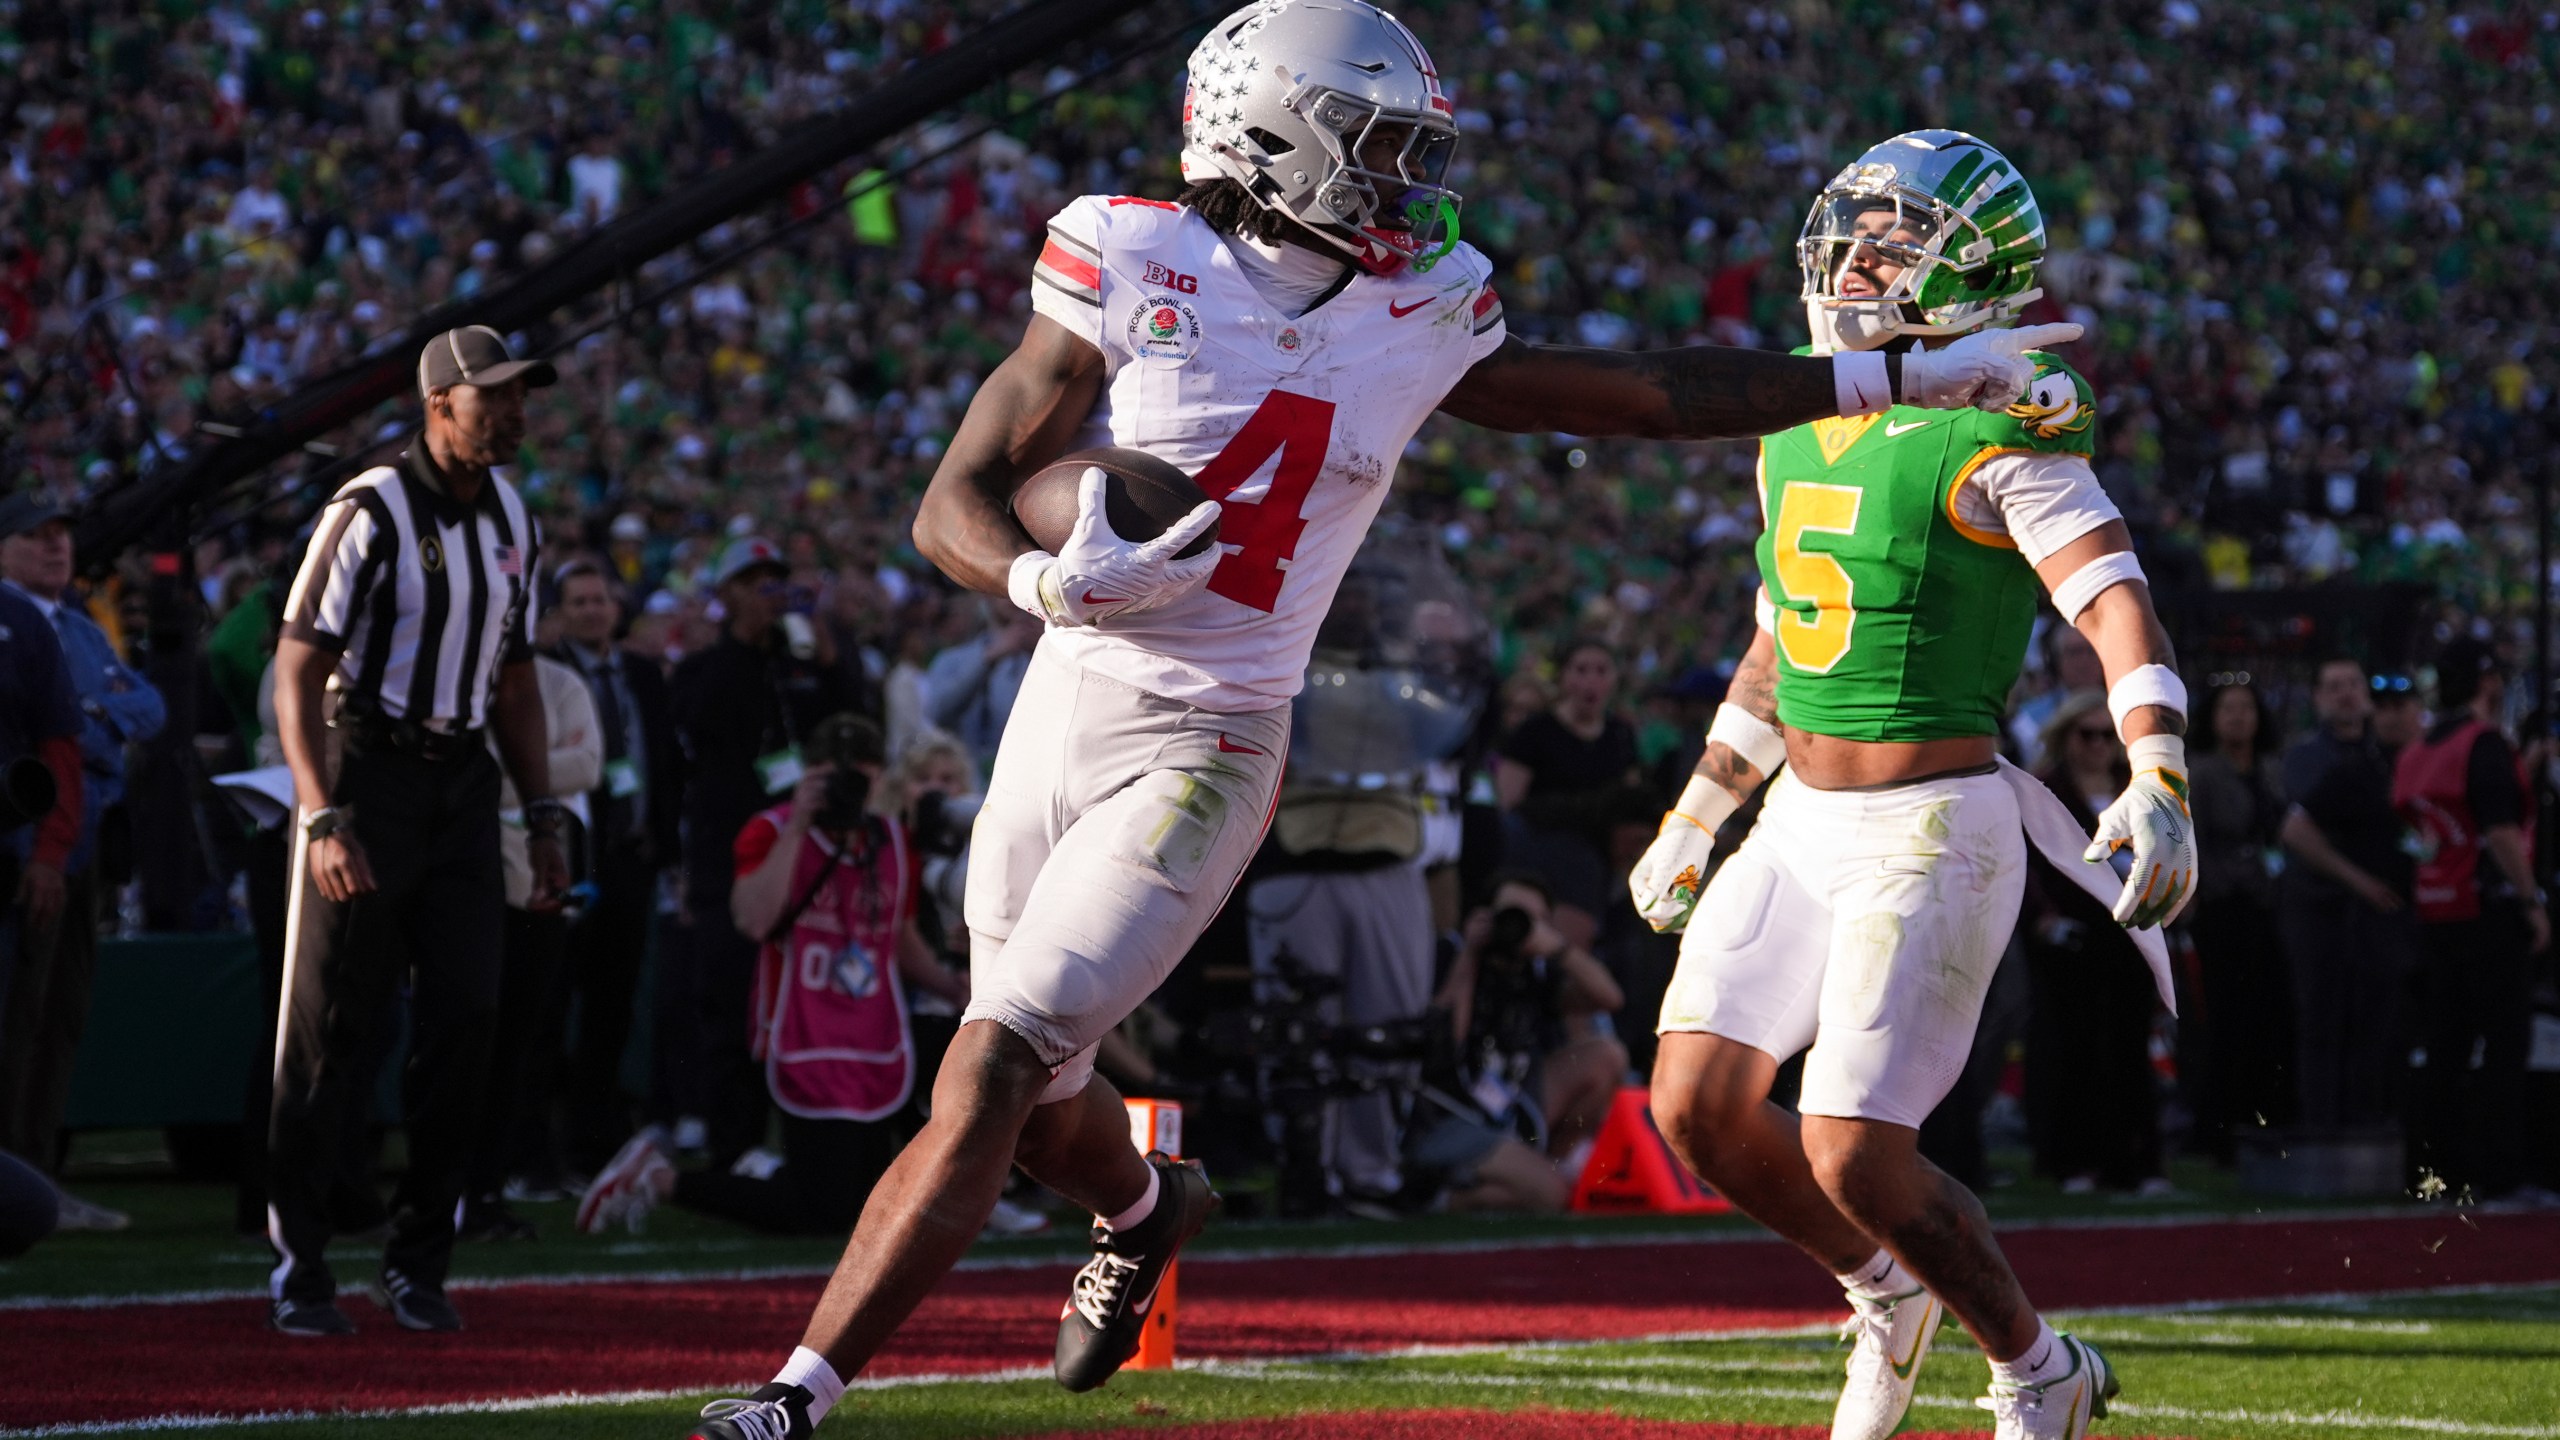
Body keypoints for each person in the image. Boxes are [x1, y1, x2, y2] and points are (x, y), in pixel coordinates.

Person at [679, 8, 2070, 1435]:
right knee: (1033, 1101)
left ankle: (797, 1397)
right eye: (1382, 147)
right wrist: (1046, 575)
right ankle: (1150, 1207)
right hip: (1067, 699)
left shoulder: (1427, 302)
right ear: (1274, 136)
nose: (1411, 180)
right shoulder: (1125, 247)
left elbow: (1649, 395)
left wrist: (1905, 372)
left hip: (1212, 739)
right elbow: (952, 497)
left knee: (994, 1061)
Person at [1628, 132, 2186, 1440]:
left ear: (1970, 281)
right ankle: (1886, 1290)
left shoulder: (2003, 432)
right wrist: (1700, 811)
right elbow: (1784, 640)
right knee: (1694, 1108)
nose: (1856, 261)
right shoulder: (1807, 418)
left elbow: (2113, 601)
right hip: (1798, 819)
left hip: (1935, 824)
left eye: (1896, 243)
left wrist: (2157, 762)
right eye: (1856, 234)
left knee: (1852, 1149)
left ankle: (2035, 1364)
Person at [265, 326, 569, 1336]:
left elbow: (516, 677)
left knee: (467, 1023)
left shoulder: (514, 515)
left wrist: (543, 809)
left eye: (522, 395)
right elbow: (298, 668)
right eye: (496, 397)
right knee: (330, 1031)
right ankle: (300, 1262)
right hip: (369, 771)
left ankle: (417, 1256)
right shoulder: (369, 509)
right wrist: (321, 813)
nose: (515, 411)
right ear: (438, 404)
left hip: (463, 783)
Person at [579, 715, 966, 1236]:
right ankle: (661, 1180)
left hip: (874, 1036)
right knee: (825, 1213)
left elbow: (896, 934)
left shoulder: (892, 842)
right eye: (836, 775)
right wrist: (801, 825)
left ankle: (749, 1170)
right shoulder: (773, 828)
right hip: (801, 1032)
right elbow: (754, 919)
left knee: (863, 1211)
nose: (850, 788)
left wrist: (949, 986)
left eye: (863, 776)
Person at [665, 534, 858, 1166]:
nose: (773, 596)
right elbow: (695, 739)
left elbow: (853, 722)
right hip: (730, 858)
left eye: (777, 582)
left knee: (808, 996)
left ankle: (807, 1136)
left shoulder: (800, 660)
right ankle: (732, 1142)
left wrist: (827, 652)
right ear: (728, 594)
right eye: (757, 584)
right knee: (731, 996)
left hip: (803, 852)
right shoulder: (705, 669)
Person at [0, 495, 164, 1230]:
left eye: (61, 536)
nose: (55, 549)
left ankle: (39, 1178)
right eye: (35, 538)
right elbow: (72, 732)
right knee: (18, 1016)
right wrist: (100, 715)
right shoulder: (27, 626)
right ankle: (15, 1180)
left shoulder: (79, 626)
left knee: (61, 1012)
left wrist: (96, 715)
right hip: (32, 840)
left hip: (84, 838)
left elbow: (148, 708)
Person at [2396, 637, 2551, 1202]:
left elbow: (2422, 832)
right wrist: (2532, 900)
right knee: (2504, 1047)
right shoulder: (2481, 744)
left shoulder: (2417, 751)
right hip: (2485, 909)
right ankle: (2500, 1174)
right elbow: (2502, 832)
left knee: (2445, 1049)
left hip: (2437, 908)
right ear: (2486, 683)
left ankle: (2434, 1175)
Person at [459, 647, 601, 1238]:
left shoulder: (558, 680)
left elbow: (589, 764)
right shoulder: (452, 668)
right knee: (459, 1038)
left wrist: (498, 770)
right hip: (461, 881)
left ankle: (487, 1189)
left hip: (536, 885)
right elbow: (455, 773)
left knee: (519, 1039)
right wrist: (536, 770)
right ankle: (453, 1191)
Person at [549, 559, 682, 1174]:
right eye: (579, 601)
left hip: (633, 860)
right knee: (552, 1004)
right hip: (570, 859)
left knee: (614, 1005)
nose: (593, 610)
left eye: (601, 598)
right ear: (560, 613)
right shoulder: (547, 674)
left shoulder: (640, 671)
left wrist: (662, 841)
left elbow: (664, 758)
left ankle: (594, 1140)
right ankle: (540, 1145)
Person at [1407, 871, 1627, 1211]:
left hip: (1509, 1106)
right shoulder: (1452, 953)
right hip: (1447, 1114)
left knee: (1607, 1055)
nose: (1513, 927)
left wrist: (1557, 947)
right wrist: (1471, 953)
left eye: (1529, 919)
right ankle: (1436, 1198)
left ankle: (1548, 1164)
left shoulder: (1535, 969)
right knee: (1551, 1195)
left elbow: (1610, 998)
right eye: (1507, 914)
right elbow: (1443, 1041)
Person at [2019, 693, 2168, 1194]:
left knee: (2130, 1049)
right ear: (2066, 738)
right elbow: (2029, 865)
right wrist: (2044, 920)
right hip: (2069, 938)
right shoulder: (2047, 792)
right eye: (2087, 734)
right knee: (2073, 1050)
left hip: (2130, 935)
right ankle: (2075, 1162)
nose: (2099, 746)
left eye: (2108, 735)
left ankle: (2139, 1164)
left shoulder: (2139, 789)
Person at [2278, 657, 2414, 1133]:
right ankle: (2320, 1121)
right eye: (2334, 686)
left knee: (2374, 1017)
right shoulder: (2305, 758)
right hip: (2318, 905)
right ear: (2317, 697)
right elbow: (2299, 827)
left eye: (2353, 684)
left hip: (2376, 912)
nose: (2346, 695)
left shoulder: (2387, 755)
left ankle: (2365, 1116)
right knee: (2321, 1015)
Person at [2184, 678, 2292, 1160]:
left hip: (2270, 906)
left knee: (2269, 1016)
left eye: (2246, 707)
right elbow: (2194, 840)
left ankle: (2265, 1118)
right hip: (2222, 906)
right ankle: (2218, 1128)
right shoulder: (2202, 773)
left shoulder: (2274, 770)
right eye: (2228, 708)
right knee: (2225, 1018)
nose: (2238, 717)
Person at [1495, 640, 1648, 946]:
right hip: (1538, 845)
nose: (1591, 680)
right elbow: (1507, 801)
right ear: (1563, 678)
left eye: (1601, 671)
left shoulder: (1620, 735)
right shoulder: (1536, 730)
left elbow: (1631, 800)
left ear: (1614, 679)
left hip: (1596, 855)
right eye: (1581, 670)